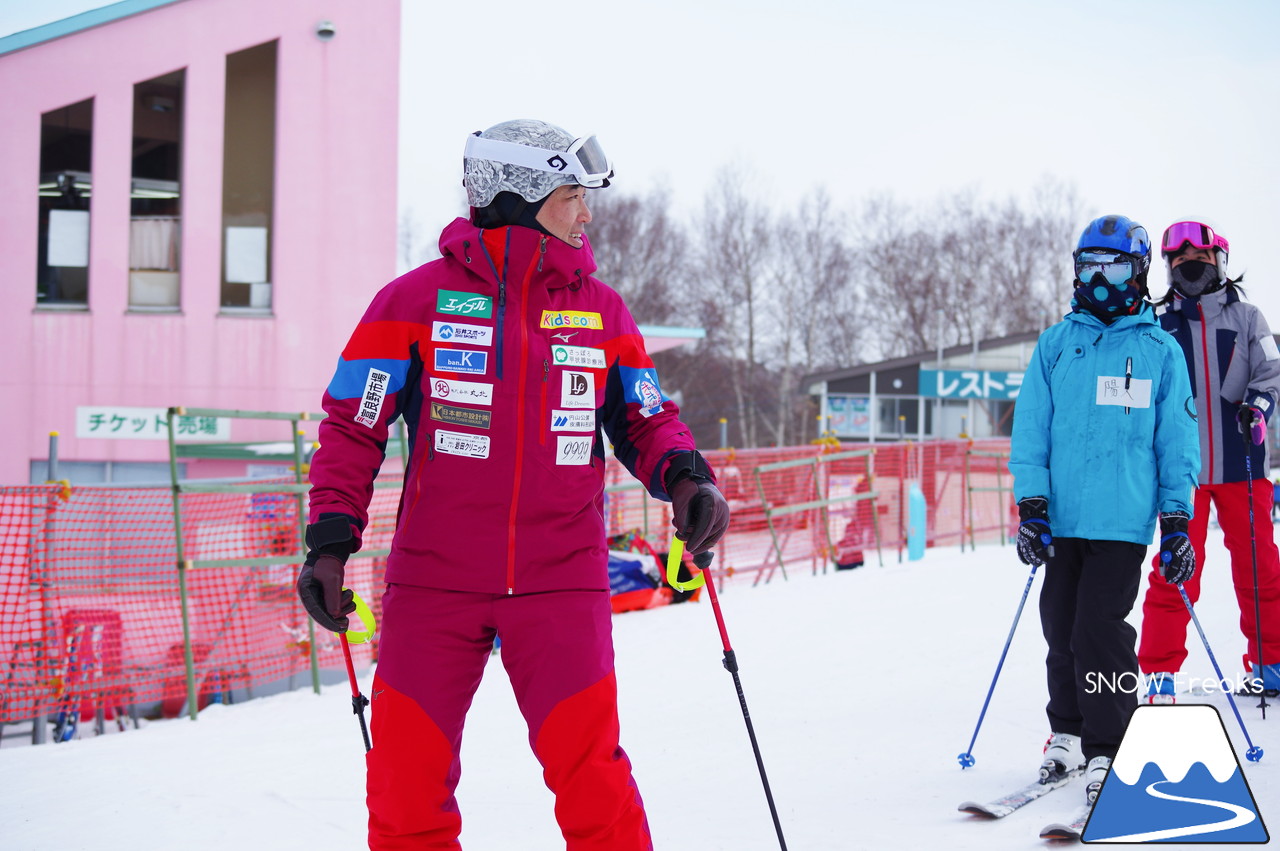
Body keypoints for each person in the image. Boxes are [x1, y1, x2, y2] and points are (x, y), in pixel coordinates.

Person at [295, 119, 730, 850]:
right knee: (404, 787)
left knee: (593, 780)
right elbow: (352, 425)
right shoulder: (411, 302)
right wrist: (330, 540)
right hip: (434, 583)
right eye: (570, 196)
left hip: (560, 580)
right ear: (518, 197)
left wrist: (687, 479)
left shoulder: (601, 311)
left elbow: (648, 418)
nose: (586, 213)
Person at [1009, 214, 1200, 806]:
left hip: (1122, 521)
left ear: (1138, 271)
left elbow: (1177, 442)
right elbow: (1031, 430)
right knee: (1059, 628)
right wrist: (1032, 507)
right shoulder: (1057, 343)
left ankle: (1109, 746)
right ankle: (1065, 733)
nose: (1099, 277)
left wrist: (1175, 523)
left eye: (1113, 265)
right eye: (1088, 264)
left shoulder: (1159, 350)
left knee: (1100, 631)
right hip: (1061, 519)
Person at [1138, 220, 1280, 702]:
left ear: (1218, 262)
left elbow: (1271, 371)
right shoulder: (1157, 325)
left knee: (1260, 567)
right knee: (1176, 568)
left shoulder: (1247, 318)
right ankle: (1159, 675)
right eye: (1178, 263)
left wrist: (1258, 408)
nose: (1189, 268)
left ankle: (1271, 662)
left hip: (1244, 466)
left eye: (1198, 260)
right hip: (1183, 475)